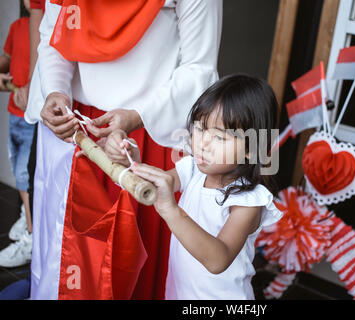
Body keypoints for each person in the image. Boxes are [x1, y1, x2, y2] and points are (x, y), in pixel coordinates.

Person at [25, 0, 222, 299]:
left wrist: (137, 117)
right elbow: (54, 34)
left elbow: (199, 67)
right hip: (75, 127)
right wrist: (55, 89)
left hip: (149, 130)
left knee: (137, 260)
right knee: (66, 257)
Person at [104, 74, 283, 299]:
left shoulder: (248, 200)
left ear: (252, 148)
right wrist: (130, 159)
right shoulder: (192, 169)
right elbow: (152, 187)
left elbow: (219, 260)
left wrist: (172, 211)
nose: (203, 143)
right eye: (200, 129)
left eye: (219, 138)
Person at [0, 0, 34, 268]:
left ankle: (32, 237)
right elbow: (8, 60)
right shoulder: (17, 26)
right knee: (19, 170)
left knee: (28, 174)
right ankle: (27, 213)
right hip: (15, 113)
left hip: (36, 118)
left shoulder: (46, 27)